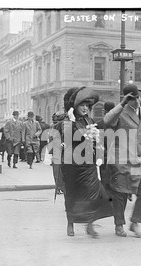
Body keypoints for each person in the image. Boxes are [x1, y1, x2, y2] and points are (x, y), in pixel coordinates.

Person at [55, 87, 114, 238]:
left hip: (89, 164)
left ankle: (90, 224)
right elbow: (68, 139)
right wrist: (72, 123)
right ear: (74, 107)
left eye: (87, 106)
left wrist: (99, 153)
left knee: (93, 194)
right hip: (73, 165)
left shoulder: (89, 120)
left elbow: (97, 138)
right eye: (82, 105)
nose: (85, 108)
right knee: (72, 195)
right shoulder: (67, 121)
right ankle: (70, 222)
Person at [104, 84, 141, 238]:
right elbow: (107, 121)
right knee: (120, 193)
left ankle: (135, 221)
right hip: (122, 160)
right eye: (132, 98)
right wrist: (121, 104)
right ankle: (119, 224)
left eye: (137, 97)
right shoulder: (120, 113)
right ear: (126, 99)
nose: (136, 101)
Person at [49, 110, 67, 195]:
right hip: (61, 150)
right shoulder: (62, 125)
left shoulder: (54, 126)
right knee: (60, 170)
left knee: (57, 170)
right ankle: (61, 187)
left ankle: (59, 187)